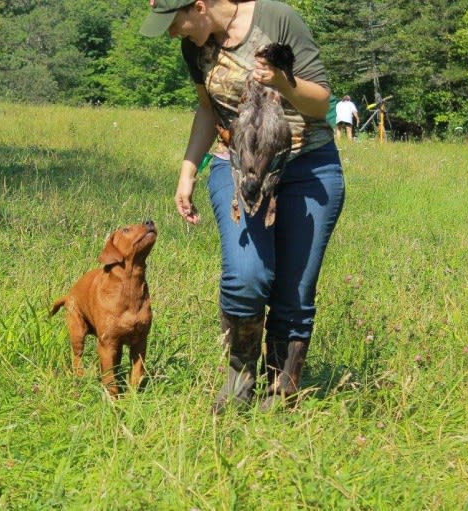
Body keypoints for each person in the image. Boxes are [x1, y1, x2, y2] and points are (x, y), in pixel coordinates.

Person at [140, 0, 345, 412]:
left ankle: (279, 394)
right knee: (246, 278)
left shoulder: (278, 19)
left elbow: (321, 104)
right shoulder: (195, 45)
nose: (172, 32)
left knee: (294, 294)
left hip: (308, 169)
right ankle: (240, 377)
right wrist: (187, 170)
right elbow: (206, 109)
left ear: (199, 6)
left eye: (174, 22)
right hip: (236, 166)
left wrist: (283, 82)